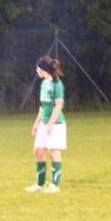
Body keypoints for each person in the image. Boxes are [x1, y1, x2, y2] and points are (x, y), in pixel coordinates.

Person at [26, 56, 66, 193]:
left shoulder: (57, 84)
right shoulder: (44, 83)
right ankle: (40, 184)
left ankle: (55, 185)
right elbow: (43, 106)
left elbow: (58, 106)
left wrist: (50, 124)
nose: (36, 70)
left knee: (53, 151)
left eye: (38, 68)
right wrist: (36, 123)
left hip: (56, 124)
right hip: (44, 123)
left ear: (43, 69)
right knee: (38, 151)